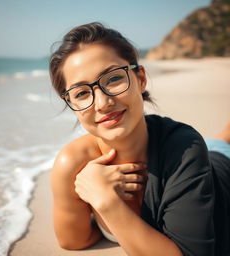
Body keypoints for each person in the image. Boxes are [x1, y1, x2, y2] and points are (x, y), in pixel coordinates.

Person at [49, 22, 230, 256]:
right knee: (216, 143)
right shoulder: (72, 165)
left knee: (218, 148)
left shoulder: (185, 147)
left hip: (217, 170)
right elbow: (72, 241)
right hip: (198, 155)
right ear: (72, 105)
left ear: (140, 79)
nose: (103, 103)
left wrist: (105, 201)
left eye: (113, 79)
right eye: (82, 93)